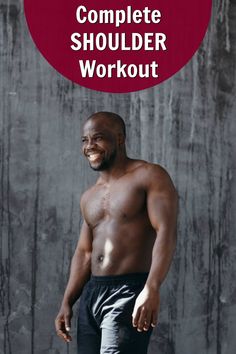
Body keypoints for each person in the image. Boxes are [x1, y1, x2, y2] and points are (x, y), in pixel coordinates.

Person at [55, 111, 178, 354]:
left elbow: (166, 231)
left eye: (98, 138)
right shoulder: (90, 196)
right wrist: (67, 301)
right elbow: (84, 253)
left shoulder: (150, 175)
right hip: (92, 294)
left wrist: (151, 287)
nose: (90, 146)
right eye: (84, 140)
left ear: (120, 139)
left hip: (128, 291)